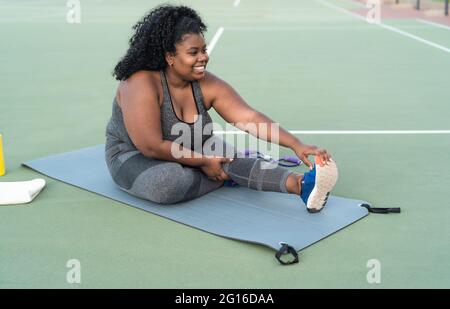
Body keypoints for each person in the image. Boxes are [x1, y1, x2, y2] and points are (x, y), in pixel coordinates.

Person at [105, 4, 338, 212]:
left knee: (228, 159)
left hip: (192, 145)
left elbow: (248, 117)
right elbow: (151, 146)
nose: (203, 58)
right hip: (133, 155)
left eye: (204, 50)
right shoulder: (140, 83)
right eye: (193, 52)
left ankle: (302, 186)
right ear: (170, 57)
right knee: (169, 183)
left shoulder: (206, 83)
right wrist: (205, 162)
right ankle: (227, 174)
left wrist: (295, 144)